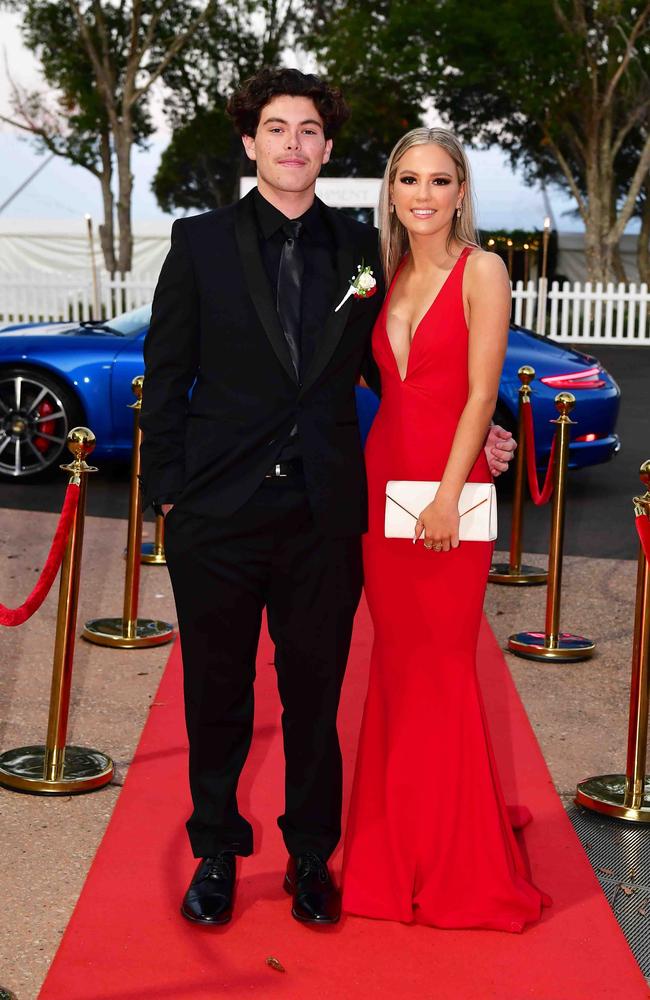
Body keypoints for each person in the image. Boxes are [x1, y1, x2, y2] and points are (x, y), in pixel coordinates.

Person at [140, 69, 515, 928]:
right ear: (251, 142)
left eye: (309, 131)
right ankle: (217, 853)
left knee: (315, 694)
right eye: (277, 129)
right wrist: (168, 497)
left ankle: (312, 855)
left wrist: (494, 438)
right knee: (218, 693)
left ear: (329, 148)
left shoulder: (362, 253)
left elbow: (417, 367)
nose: (293, 145)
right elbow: (165, 377)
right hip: (218, 514)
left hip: (326, 516)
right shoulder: (197, 242)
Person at [341, 128, 550, 932]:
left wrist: (448, 491)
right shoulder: (379, 275)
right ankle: (393, 848)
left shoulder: (483, 271)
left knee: (442, 667)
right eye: (407, 180)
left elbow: (478, 393)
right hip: (381, 478)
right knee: (395, 669)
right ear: (390, 191)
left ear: (461, 191)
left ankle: (456, 858)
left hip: (445, 492)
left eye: (438, 180)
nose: (422, 195)